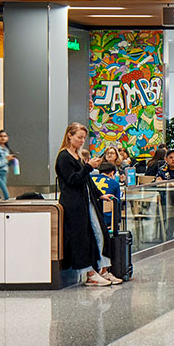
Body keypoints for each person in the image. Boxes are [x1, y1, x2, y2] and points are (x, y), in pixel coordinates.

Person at [54, 123, 120, 288]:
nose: (82, 141)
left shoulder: (76, 155)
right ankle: (89, 273)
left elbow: (87, 180)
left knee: (99, 232)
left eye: (84, 138)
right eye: (79, 137)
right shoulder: (64, 157)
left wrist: (99, 194)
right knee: (80, 237)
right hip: (74, 204)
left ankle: (102, 269)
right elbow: (73, 180)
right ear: (69, 135)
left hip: (86, 201)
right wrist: (88, 167)